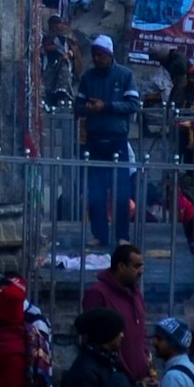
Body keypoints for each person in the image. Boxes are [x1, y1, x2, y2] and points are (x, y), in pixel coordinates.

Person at [76, 34, 140, 250]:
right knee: (95, 192)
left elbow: (132, 104)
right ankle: (99, 235)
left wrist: (108, 106)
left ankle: (122, 235)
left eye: (100, 55)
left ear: (109, 55)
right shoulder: (88, 78)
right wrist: (88, 108)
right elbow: (77, 106)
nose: (96, 59)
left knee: (121, 192)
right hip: (94, 141)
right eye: (94, 55)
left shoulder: (125, 75)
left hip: (117, 141)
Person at [60, 303, 136, 387]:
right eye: (119, 331)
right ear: (107, 335)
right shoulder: (84, 373)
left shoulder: (108, 363)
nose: (123, 335)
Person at [81, 238, 149, 381]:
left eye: (142, 267)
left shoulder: (136, 294)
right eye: (136, 266)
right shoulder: (98, 293)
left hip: (138, 381)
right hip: (113, 383)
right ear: (121, 266)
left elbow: (142, 335)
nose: (141, 271)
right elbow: (92, 341)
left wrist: (147, 365)